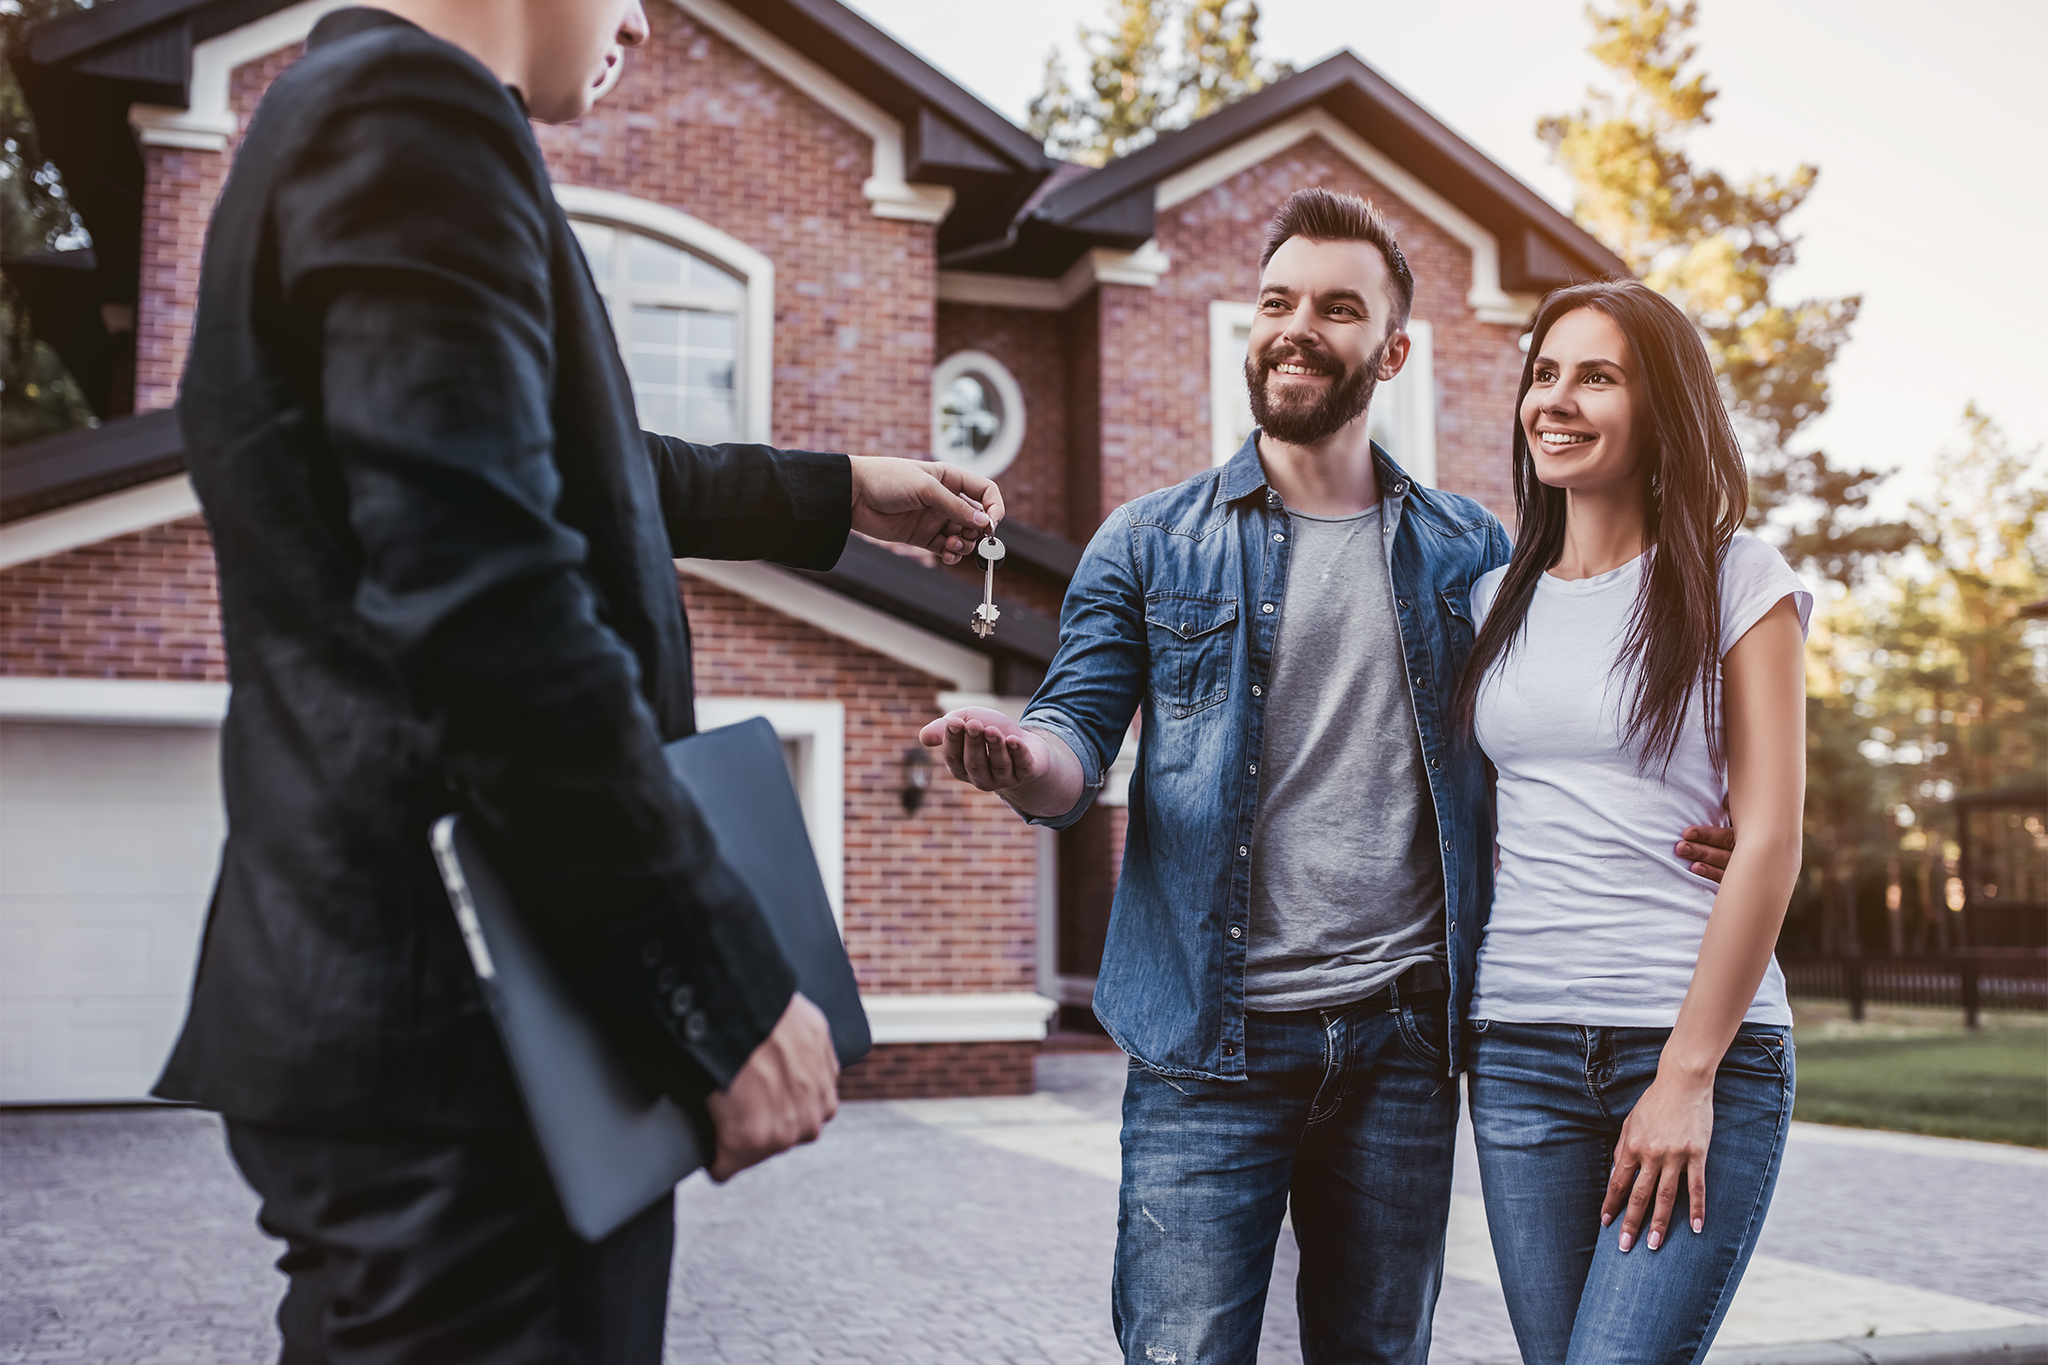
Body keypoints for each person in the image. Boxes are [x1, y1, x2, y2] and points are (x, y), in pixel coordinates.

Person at [151, 2, 1003, 1361]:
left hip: (460, 1051)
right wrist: (724, 991)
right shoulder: (408, 121)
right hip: (461, 1049)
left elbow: (588, 466)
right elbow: (495, 613)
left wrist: (847, 492)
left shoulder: (373, 119)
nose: (645, 25)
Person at [921, 190, 1736, 1365]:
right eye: (1275, 301)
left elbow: (1570, 732)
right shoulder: (1149, 541)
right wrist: (1019, 759)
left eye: (1337, 307)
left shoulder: (1476, 554)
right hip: (1206, 1046)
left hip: (1401, 1045)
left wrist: (1707, 815)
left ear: (1390, 351)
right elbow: (1070, 744)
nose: (1297, 326)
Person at [1457, 278, 1809, 1365]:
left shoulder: (1731, 578)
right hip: (1514, 1050)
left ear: (1659, 408)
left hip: (1692, 1042)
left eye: (1595, 376)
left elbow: (1770, 838)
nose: (1554, 401)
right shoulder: (1488, 601)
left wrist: (1683, 1078)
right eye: (1544, 372)